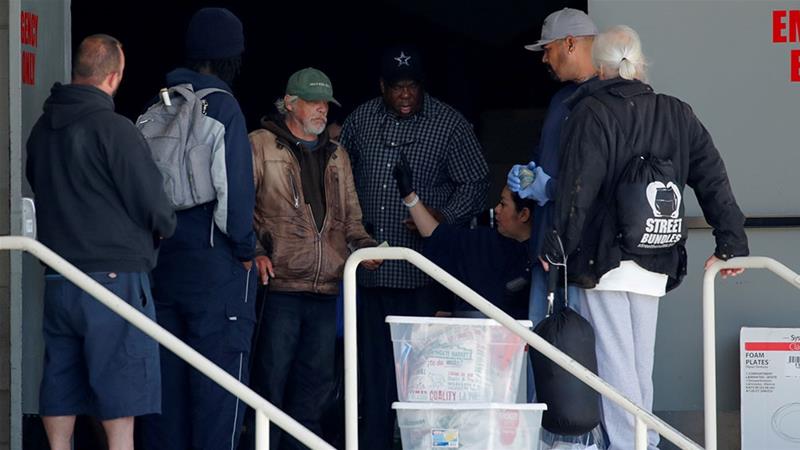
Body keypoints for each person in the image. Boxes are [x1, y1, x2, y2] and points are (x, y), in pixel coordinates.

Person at [541, 25, 749, 450]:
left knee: (615, 365)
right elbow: (712, 176)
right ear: (640, 62)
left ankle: (631, 445)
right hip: (656, 251)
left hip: (605, 259)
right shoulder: (677, 113)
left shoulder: (592, 111)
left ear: (599, 66)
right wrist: (731, 241)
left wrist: (556, 246)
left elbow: (579, 188)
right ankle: (645, 442)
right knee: (637, 365)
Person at [26, 34, 176, 450]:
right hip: (113, 279)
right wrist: (165, 225)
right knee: (121, 392)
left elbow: (38, 186)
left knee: (61, 380)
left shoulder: (42, 130)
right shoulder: (115, 129)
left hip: (59, 276)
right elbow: (154, 204)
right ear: (114, 76)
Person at [339, 45, 490, 447]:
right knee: (372, 376)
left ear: (422, 85)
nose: (405, 95)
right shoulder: (361, 120)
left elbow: (477, 183)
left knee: (425, 378)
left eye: (412, 86)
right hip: (370, 273)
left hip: (424, 275)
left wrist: (444, 216)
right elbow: (336, 177)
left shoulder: (449, 124)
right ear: (382, 87)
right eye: (396, 87)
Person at [140, 8, 257, 450]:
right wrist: (245, 249)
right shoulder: (224, 107)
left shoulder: (158, 105)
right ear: (232, 58)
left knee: (166, 391)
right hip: (214, 262)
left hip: (162, 259)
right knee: (218, 392)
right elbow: (234, 195)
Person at [248, 67, 380, 450]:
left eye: (325, 103)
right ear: (290, 103)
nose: (323, 109)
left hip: (326, 290)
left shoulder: (338, 154)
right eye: (313, 102)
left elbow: (351, 219)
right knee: (270, 384)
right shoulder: (259, 144)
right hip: (279, 287)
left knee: (315, 388)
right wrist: (255, 251)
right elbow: (238, 210)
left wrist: (367, 248)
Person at [509, 7, 598, 327]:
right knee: (542, 344)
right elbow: (544, 154)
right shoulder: (561, 98)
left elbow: (601, 181)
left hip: (583, 256)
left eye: (548, 49)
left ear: (570, 43)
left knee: (582, 347)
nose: (544, 59)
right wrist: (527, 173)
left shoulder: (606, 96)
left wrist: (549, 187)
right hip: (546, 248)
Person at [394, 153, 533, 319]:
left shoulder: (544, 258)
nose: (496, 209)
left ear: (523, 214)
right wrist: (409, 196)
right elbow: (436, 235)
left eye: (503, 204)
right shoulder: (482, 243)